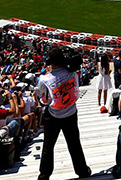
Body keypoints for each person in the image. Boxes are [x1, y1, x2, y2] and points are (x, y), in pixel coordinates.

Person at [36, 46, 91, 180]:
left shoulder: (44, 79)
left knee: (48, 146)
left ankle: (44, 175)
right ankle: (82, 170)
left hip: (53, 115)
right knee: (74, 143)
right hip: (71, 112)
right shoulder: (72, 73)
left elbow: (43, 99)